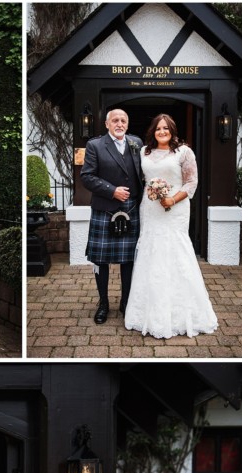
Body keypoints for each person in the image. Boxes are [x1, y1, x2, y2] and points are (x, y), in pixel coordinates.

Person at [125, 114, 219, 338]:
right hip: (150, 209)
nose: (162, 132)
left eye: (166, 128)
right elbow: (141, 179)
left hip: (175, 208)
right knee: (151, 251)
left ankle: (180, 313)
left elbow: (191, 181)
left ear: (172, 130)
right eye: (158, 128)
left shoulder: (184, 152)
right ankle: (147, 312)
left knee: (175, 251)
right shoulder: (144, 151)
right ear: (153, 131)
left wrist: (172, 199)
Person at [80, 108, 143, 324]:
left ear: (127, 124)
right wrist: (111, 190)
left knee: (128, 260)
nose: (119, 124)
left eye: (123, 120)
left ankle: (126, 303)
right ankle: (103, 303)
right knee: (101, 259)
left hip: (132, 208)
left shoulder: (137, 143)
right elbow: (86, 177)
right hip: (105, 208)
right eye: (115, 120)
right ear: (107, 124)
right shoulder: (95, 145)